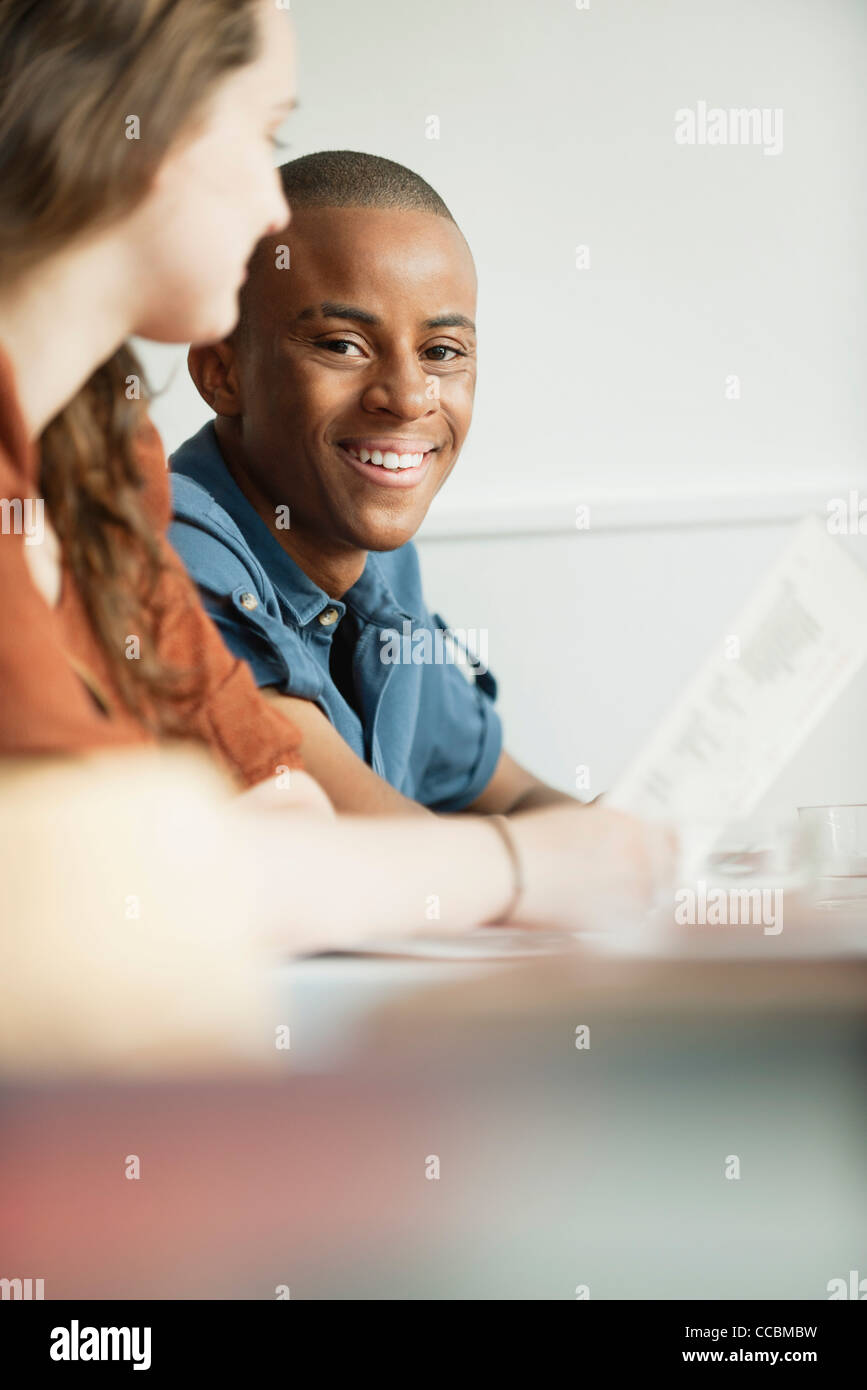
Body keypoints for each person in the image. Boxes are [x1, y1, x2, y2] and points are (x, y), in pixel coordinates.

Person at [0, 0, 673, 1076]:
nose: (270, 198)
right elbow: (127, 884)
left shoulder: (101, 464)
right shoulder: (180, 521)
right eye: (262, 136)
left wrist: (562, 856)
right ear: (132, 127)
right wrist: (523, 867)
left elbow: (285, 818)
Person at [169, 151, 575, 817]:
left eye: (441, 353)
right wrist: (589, 857)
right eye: (342, 345)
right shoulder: (175, 552)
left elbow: (516, 795)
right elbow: (386, 843)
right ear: (223, 374)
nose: (410, 396)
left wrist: (651, 843)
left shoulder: (382, 568)